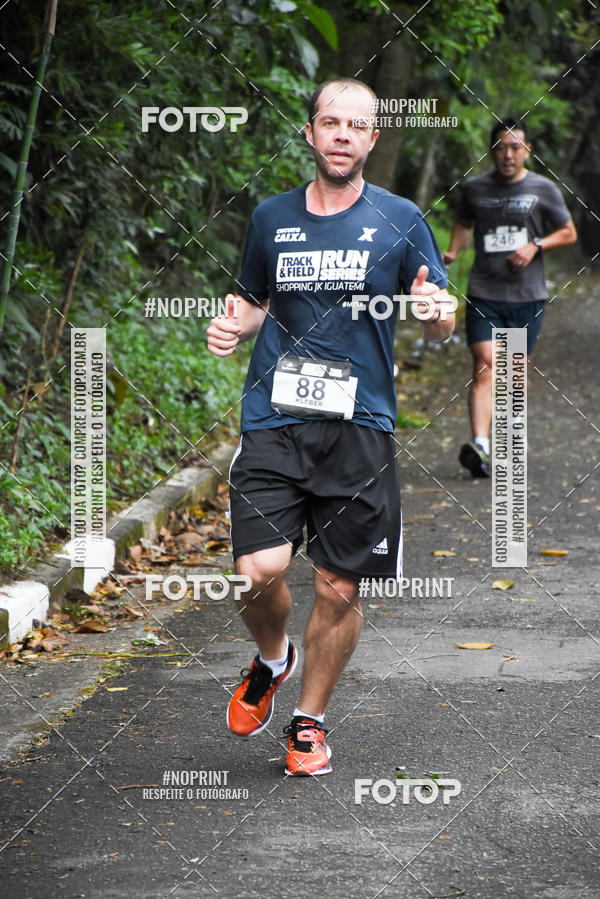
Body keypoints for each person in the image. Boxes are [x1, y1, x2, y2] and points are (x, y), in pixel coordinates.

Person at [207, 77, 454, 776]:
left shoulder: (402, 218)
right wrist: (233, 321)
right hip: (276, 416)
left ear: (373, 139)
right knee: (257, 572)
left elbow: (438, 317)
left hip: (361, 423)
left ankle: (308, 721)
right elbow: (255, 300)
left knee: (339, 588)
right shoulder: (270, 217)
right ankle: (272, 657)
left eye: (357, 125)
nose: (343, 134)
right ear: (311, 133)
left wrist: (437, 314)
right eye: (331, 122)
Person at [443, 117, 577, 478]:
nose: (508, 154)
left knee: (515, 373)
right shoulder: (474, 189)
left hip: (526, 295)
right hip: (484, 291)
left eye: (515, 147)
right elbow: (463, 221)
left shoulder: (543, 189)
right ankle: (480, 446)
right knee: (486, 363)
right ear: (491, 151)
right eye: (501, 147)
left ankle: (509, 435)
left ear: (527, 150)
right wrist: (453, 252)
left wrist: (536, 245)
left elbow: (568, 232)